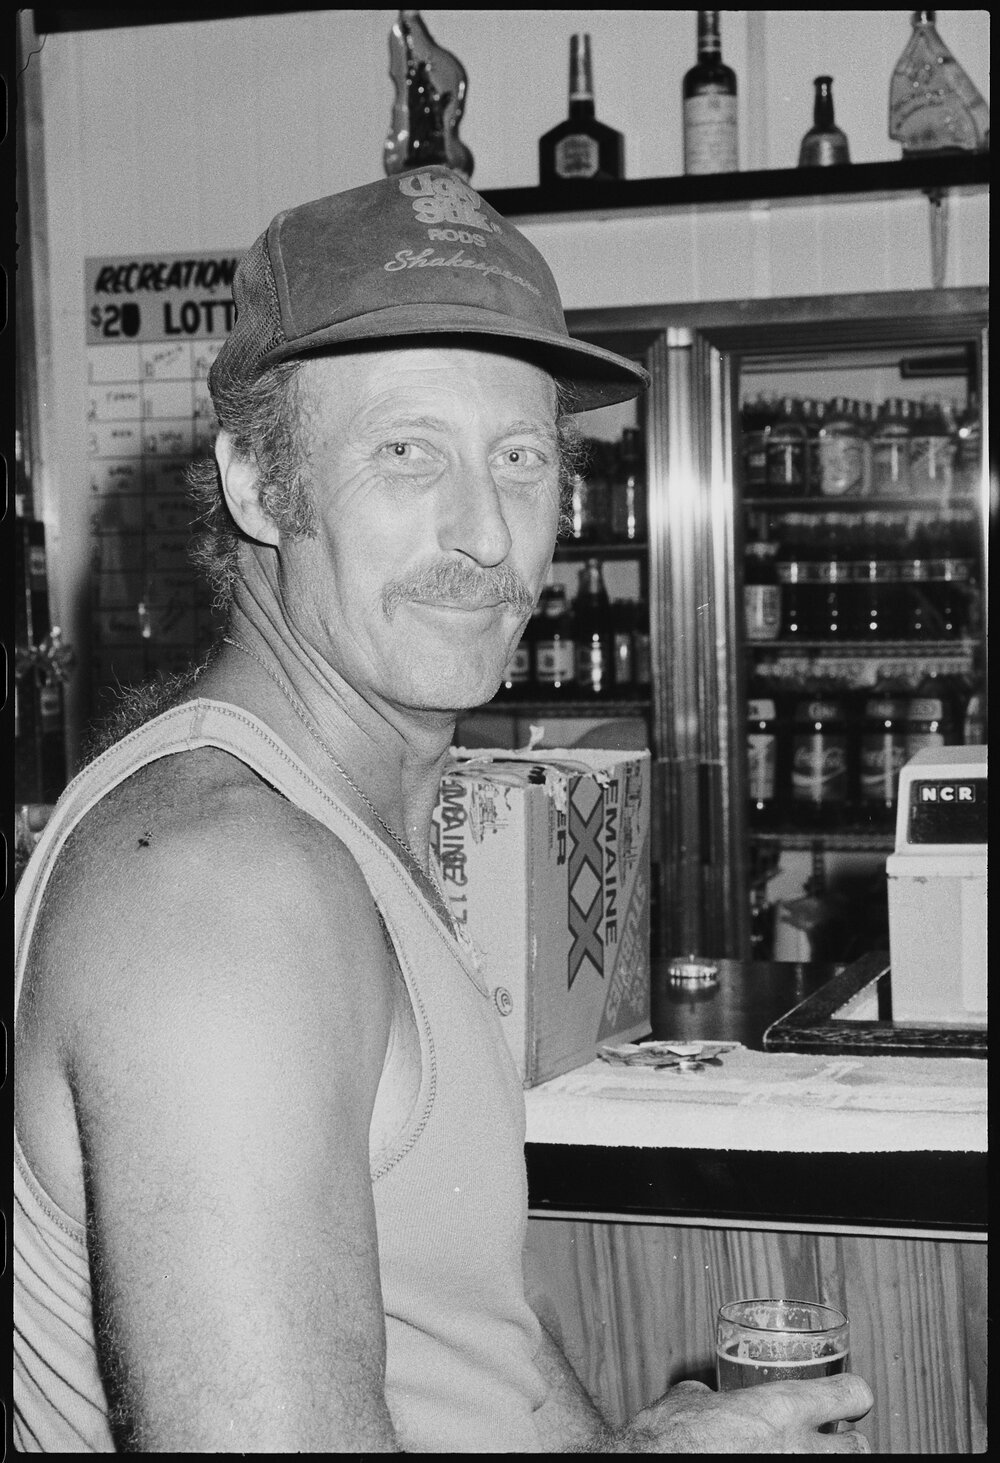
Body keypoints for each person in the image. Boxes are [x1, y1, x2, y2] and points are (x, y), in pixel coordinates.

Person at [13, 166, 873, 1453]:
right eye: (406, 451)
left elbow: (465, 1344)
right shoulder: (222, 888)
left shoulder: (342, 827)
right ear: (258, 483)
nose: (484, 531)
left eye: (520, 458)